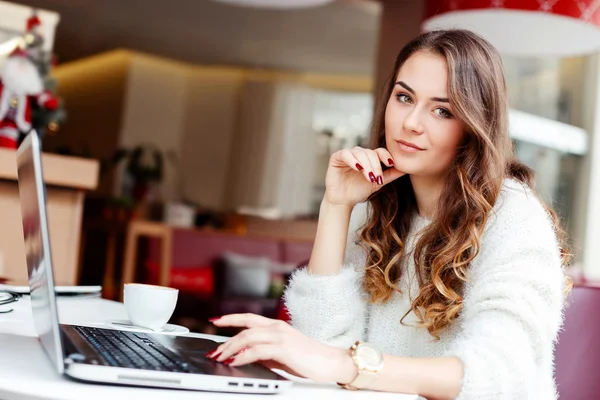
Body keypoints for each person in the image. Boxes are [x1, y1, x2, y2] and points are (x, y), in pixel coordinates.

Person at [205, 29, 571, 400]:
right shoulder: (376, 203)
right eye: (404, 97)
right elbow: (323, 347)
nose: (411, 122)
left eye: (442, 110)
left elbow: (499, 372)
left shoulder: (514, 216)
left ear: (474, 126)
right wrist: (337, 206)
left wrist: (346, 365)